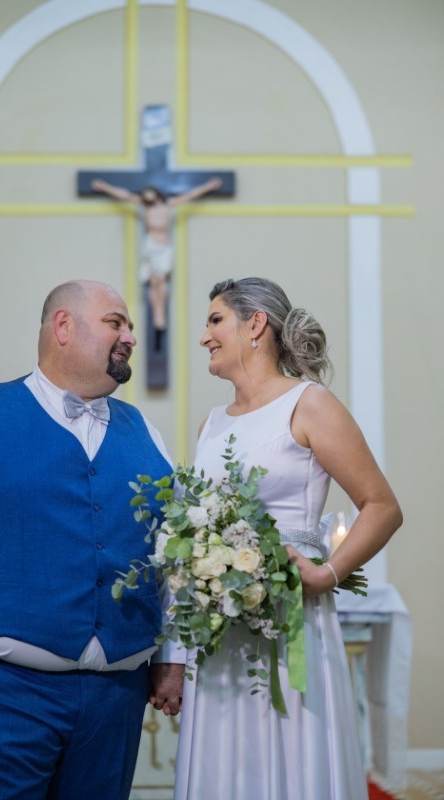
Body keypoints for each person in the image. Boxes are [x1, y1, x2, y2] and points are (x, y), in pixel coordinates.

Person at [0, 280, 185, 800]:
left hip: (115, 699)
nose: (130, 336)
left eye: (130, 325)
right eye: (115, 322)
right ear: (63, 326)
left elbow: (171, 552)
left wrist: (172, 652)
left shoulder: (145, 432)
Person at [173, 277, 403, 800]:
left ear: (255, 324)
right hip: (219, 632)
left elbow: (382, 506)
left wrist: (327, 574)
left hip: (290, 617)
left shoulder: (309, 403)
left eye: (215, 321)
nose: (204, 336)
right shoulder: (211, 426)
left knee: (291, 756)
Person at [92, 177, 222, 333]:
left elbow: (189, 196)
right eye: (145, 195)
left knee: (161, 279)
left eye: (149, 193)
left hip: (164, 248)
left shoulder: (168, 205)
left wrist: (208, 186)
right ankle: (158, 314)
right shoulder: (144, 206)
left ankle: (160, 311)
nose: (147, 197)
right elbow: (125, 196)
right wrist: (105, 187)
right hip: (151, 246)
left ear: (156, 193)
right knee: (154, 281)